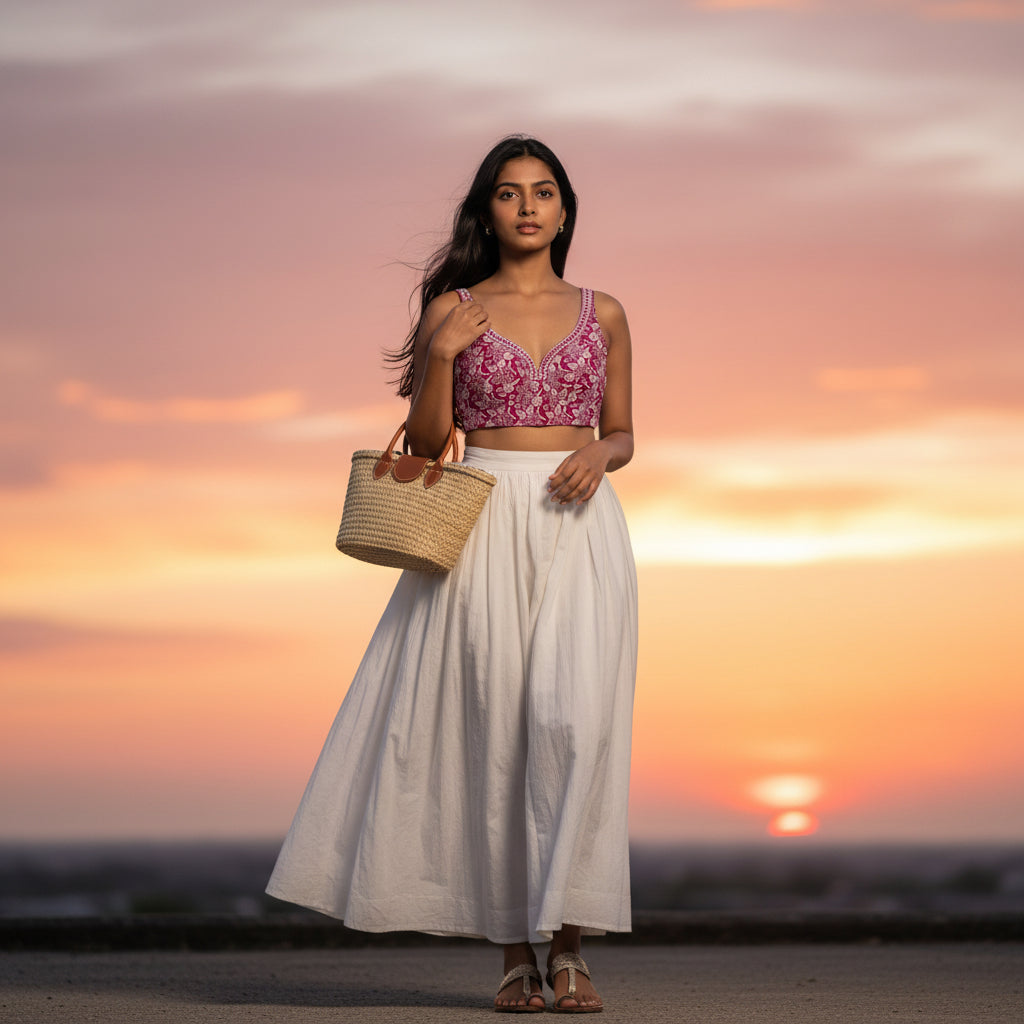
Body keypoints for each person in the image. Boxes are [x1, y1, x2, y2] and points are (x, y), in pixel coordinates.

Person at [266, 135, 638, 1014]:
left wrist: (601, 454)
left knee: (577, 725)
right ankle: (517, 955)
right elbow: (431, 445)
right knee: (497, 735)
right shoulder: (452, 308)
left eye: (544, 192)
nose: (527, 206)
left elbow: (625, 429)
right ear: (487, 211)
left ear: (564, 208)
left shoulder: (608, 311)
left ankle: (575, 946)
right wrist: (442, 355)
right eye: (509, 194)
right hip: (480, 517)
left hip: (580, 522)